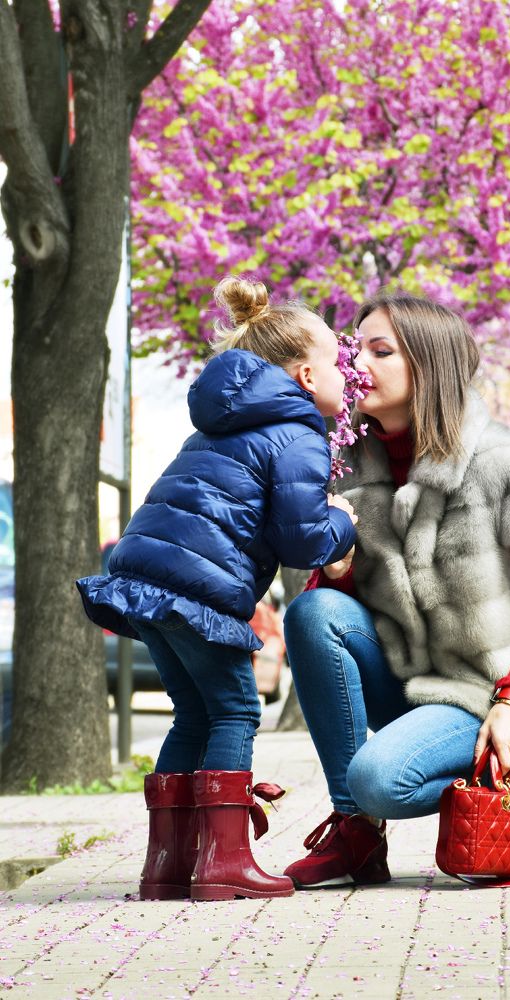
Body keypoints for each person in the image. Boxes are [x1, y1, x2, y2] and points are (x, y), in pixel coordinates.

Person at [282, 292, 510, 889]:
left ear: (429, 365)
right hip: (410, 685)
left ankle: (507, 776)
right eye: (353, 347)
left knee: (378, 780)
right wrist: (335, 571)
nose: (354, 362)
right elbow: (336, 621)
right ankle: (356, 834)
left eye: (380, 350)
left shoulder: (504, 462)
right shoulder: (346, 467)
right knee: (313, 610)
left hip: (495, 699)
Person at [77, 277, 357, 901]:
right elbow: (302, 541)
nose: (347, 378)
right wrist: (343, 520)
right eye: (338, 365)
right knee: (235, 710)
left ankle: (168, 867)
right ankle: (224, 864)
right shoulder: (299, 433)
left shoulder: (219, 424)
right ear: (306, 376)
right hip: (198, 591)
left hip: (145, 581)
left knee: (194, 714)